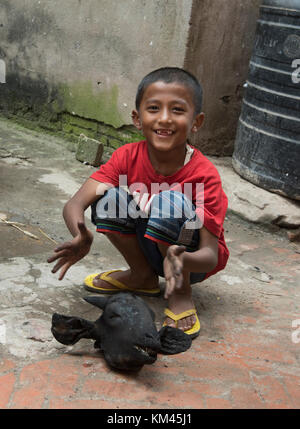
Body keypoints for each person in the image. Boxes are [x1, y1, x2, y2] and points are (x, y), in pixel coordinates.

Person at [47, 67, 229, 339]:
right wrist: (79, 233)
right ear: (137, 117)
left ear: (196, 122)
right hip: (152, 246)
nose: (164, 119)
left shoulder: (204, 175)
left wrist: (182, 261)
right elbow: (75, 203)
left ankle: (180, 293)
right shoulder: (126, 157)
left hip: (190, 263)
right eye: (154, 108)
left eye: (177, 110)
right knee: (110, 200)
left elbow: (211, 256)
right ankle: (142, 276)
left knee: (170, 201)